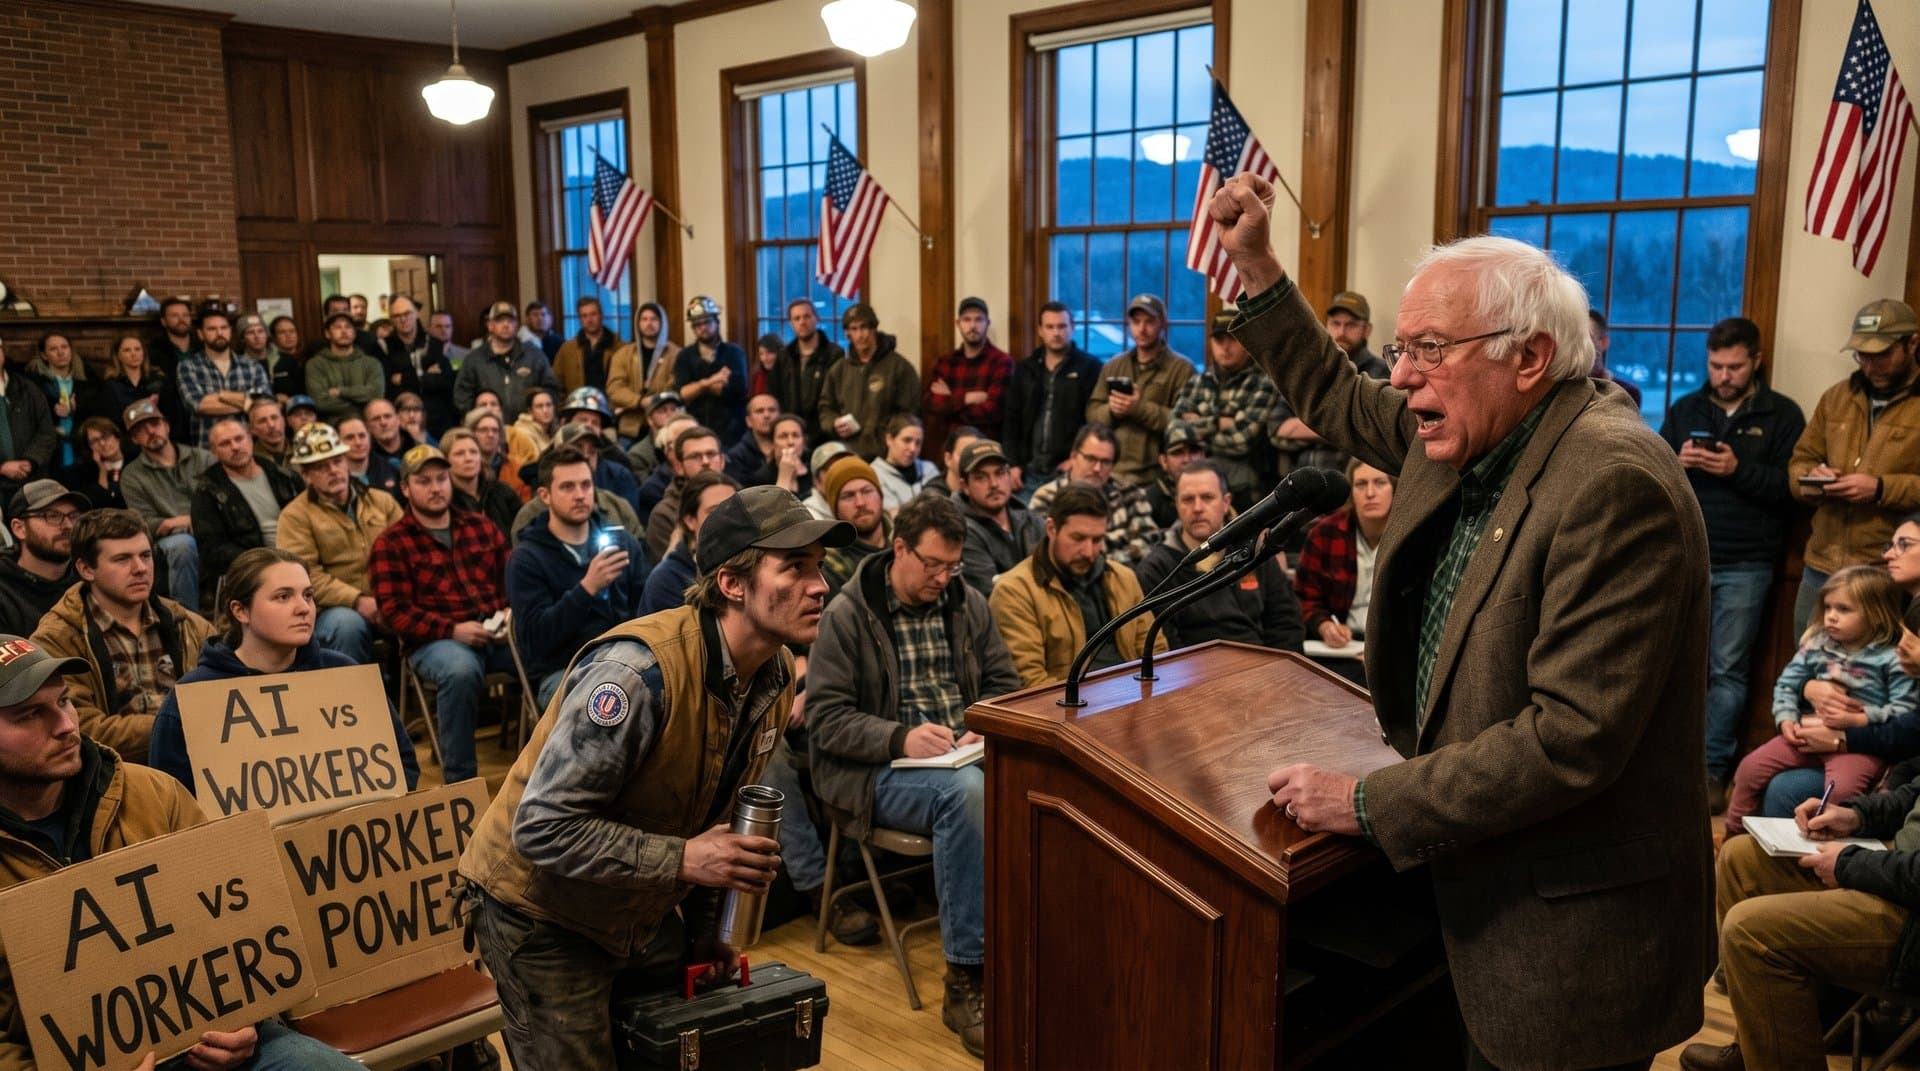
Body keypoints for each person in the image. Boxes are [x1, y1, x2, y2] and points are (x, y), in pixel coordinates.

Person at [1212, 174, 1712, 1069]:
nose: (1402, 375)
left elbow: (1568, 740)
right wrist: (1255, 265)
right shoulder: (1468, 428)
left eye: (1430, 349)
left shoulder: (1613, 484)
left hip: (1567, 936)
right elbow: (1336, 392)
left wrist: (1364, 801)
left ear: (1530, 357)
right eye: (1402, 349)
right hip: (1465, 894)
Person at [460, 485, 851, 1067]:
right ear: (732, 583)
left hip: (635, 904)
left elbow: (713, 819)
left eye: (818, 567)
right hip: (540, 914)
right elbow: (541, 828)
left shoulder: (773, 674)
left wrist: (710, 928)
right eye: (795, 567)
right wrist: (684, 859)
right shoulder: (638, 675)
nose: (820, 586)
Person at [0, 631, 367, 1071]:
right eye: (30, 715)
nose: (65, 725)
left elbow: (239, 924)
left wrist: (251, 1016)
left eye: (64, 701)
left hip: (209, 1038)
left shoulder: (153, 794)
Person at [809, 492, 1021, 1058]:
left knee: (1045, 783)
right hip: (875, 771)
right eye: (932, 564)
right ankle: (966, 977)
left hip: (959, 753)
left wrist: (983, 724)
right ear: (899, 548)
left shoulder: (965, 601)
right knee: (966, 795)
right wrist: (899, 737)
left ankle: (1031, 947)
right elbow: (825, 721)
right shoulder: (848, 615)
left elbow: (1004, 683)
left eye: (952, 566)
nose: (943, 578)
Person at [1659, 317, 1806, 810]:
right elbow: (1652, 475)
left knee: (1727, 672)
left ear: (1756, 362)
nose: (1724, 376)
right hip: (1684, 555)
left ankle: (1711, 772)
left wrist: (1737, 470)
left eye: (1735, 367)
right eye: (1716, 365)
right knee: (1671, 665)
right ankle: (1666, 767)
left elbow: (1791, 488)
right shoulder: (1686, 408)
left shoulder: (1782, 414)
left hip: (1747, 561)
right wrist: (1674, 463)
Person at [148, 547, 419, 795]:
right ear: (240, 611)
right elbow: (174, 803)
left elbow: (402, 765)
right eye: (283, 597)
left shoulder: (344, 673)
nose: (303, 608)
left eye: (308, 595)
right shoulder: (192, 697)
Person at [1722, 565, 1917, 838]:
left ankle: (1827, 846)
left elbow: (1903, 709)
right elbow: (1787, 684)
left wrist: (1859, 719)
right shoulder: (1817, 644)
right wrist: (1786, 719)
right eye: (1828, 607)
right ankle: (1733, 835)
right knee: (1748, 769)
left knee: (1843, 792)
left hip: (1858, 746)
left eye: (1844, 609)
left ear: (1876, 615)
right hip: (1808, 733)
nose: (1831, 616)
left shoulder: (1892, 657)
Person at [370, 444, 512, 785]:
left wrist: (509, 611)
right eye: (424, 481)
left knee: (549, 649)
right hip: (433, 640)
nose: (435, 488)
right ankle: (462, 784)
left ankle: (548, 767)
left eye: (441, 479)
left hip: (496, 630)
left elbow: (511, 578)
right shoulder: (391, 543)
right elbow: (394, 613)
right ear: (405, 488)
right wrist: (452, 630)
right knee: (460, 671)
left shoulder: (481, 526)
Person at [31, 508, 213, 764]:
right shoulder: (57, 638)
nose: (140, 568)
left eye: (145, 556)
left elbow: (226, 697)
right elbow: (81, 726)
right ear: (86, 569)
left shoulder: (189, 625)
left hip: (196, 763)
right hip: (113, 774)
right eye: (122, 559)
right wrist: (178, 724)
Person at [1789, 299, 1920, 636]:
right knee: (1805, 660)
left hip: (1885, 570)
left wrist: (1880, 488)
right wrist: (1810, 480)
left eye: (1882, 354)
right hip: (1821, 563)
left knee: (1873, 668)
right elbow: (1800, 460)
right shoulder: (1836, 398)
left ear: (1912, 344)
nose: (1871, 365)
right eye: (1863, 355)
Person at [505, 445, 652, 707]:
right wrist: (587, 589)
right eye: (567, 487)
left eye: (586, 485)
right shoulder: (526, 558)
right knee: (607, 704)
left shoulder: (623, 544)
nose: (580, 495)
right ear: (545, 495)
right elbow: (536, 642)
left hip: (626, 661)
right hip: (563, 670)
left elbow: (646, 612)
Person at [989, 481, 1163, 686]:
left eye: (1097, 540)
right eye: (1078, 538)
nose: (1088, 552)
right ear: (1051, 529)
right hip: (1069, 701)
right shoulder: (1015, 592)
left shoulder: (1123, 578)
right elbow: (1031, 684)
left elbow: (1157, 652)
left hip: (1135, 693)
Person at [1134, 460, 1305, 653]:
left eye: (1207, 497)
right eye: (1187, 499)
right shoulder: (1156, 569)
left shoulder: (1256, 552)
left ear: (1226, 503)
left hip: (1261, 663)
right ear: (1176, 505)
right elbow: (1165, 645)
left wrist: (1275, 668)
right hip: (1193, 668)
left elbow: (1287, 625)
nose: (1197, 508)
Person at [275, 422, 402, 665]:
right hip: (329, 609)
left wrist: (392, 601)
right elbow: (304, 576)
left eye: (337, 461)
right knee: (347, 625)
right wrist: (358, 600)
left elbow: (409, 551)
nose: (333, 471)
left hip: (389, 597)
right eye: (321, 467)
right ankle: (351, 690)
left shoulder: (382, 501)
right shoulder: (294, 516)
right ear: (306, 476)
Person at [1268, 291, 1396, 475]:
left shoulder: (1382, 372)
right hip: (1300, 481)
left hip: (1351, 484)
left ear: (1367, 330)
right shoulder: (1307, 370)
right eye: (1335, 323)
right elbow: (1276, 427)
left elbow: (1376, 434)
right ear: (1326, 325)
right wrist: (1342, 427)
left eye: (1351, 325)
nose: (1341, 332)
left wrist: (1304, 426)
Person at [1173, 308, 1280, 507]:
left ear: (1247, 341)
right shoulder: (1197, 382)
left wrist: (1198, 428)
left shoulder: (1264, 383)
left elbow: (1241, 442)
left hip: (1245, 485)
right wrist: (1218, 423)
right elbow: (1174, 431)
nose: (1225, 347)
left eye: (1233, 339)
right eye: (1219, 340)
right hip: (1196, 478)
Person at [1086, 293, 1193, 486]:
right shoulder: (1113, 365)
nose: (1142, 329)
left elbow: (1185, 423)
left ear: (1163, 324)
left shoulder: (1182, 369)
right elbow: (1092, 414)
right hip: (1111, 472)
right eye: (1136, 322)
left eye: (1149, 322)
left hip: (1155, 476)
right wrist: (1112, 411)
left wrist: (1138, 409)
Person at [1294, 458, 1396, 658]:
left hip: (1391, 649)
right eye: (1361, 484)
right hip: (1343, 648)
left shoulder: (1410, 535)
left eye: (1379, 483)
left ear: (1395, 488)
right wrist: (1324, 625)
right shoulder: (1325, 534)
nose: (1370, 493)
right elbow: (1303, 597)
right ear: (1351, 492)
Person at [119, 399, 213, 611]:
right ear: (134, 439)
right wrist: (179, 522)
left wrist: (196, 520)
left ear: (167, 426)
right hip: (169, 540)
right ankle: (186, 619)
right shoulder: (132, 475)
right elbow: (144, 523)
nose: (151, 432)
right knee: (183, 545)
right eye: (141, 430)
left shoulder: (202, 458)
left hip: (211, 529)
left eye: (155, 424)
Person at [191, 417, 300, 596]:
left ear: (250, 439)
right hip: (252, 569)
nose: (235, 447)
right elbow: (213, 550)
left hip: (298, 553)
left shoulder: (283, 475)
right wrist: (263, 560)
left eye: (239, 439)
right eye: (225, 443)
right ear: (214, 452)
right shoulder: (207, 490)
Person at [1025, 423, 1160, 566]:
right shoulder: (1046, 497)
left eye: (1105, 462)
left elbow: (1150, 542)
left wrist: (1103, 563)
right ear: (1074, 457)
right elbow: (1043, 552)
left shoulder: (1129, 494)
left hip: (1123, 575)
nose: (1097, 468)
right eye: (1091, 459)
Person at [1005, 301, 1102, 497]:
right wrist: (1012, 463)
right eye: (1050, 327)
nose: (1056, 333)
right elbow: (1011, 420)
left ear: (1072, 328)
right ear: (1040, 330)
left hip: (1069, 470)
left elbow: (1095, 421)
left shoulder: (1090, 368)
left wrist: (1078, 457)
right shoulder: (1026, 369)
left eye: (1062, 326)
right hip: (1027, 473)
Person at [820, 303, 919, 460]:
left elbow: (909, 413)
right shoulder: (838, 370)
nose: (860, 335)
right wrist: (833, 423)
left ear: (874, 328)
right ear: (847, 333)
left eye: (864, 327)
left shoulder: (899, 367)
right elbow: (826, 408)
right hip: (849, 453)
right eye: (854, 329)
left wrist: (889, 436)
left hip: (888, 456)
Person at [639, 469, 738, 614]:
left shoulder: (751, 563)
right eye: (715, 512)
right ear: (690, 520)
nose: (728, 520)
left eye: (733, 510)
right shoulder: (666, 580)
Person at [953, 439, 1043, 595]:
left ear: (1009, 475)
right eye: (981, 477)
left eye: (1000, 473)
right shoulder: (961, 531)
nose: (994, 484)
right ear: (965, 486)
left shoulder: (1031, 519)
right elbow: (996, 595)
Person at [176, 307, 272, 448]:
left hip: (249, 447)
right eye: (212, 329)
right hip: (208, 449)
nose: (219, 333)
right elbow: (199, 404)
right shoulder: (188, 366)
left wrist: (220, 396)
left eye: (224, 328)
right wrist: (246, 402)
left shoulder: (252, 366)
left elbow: (264, 403)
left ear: (230, 331)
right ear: (201, 334)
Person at [922, 296, 1013, 445]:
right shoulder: (945, 362)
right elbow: (930, 403)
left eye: (979, 319)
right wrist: (966, 398)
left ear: (987, 323)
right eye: (967, 320)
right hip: (950, 447)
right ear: (958, 323)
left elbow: (992, 412)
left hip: (986, 446)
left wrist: (950, 400)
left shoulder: (1001, 362)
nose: (972, 325)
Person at [455, 301, 561, 423]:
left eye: (510, 321)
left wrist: (538, 415)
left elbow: (551, 390)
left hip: (528, 427)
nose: (506, 325)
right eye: (499, 320)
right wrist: (480, 420)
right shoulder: (474, 359)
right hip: (489, 428)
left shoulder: (534, 356)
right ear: (490, 325)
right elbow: (462, 397)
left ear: (517, 325)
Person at [0, 481, 82, 638]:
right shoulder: (5, 593)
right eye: (53, 516)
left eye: (74, 516)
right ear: (19, 528)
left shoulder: (90, 578)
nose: (68, 525)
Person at [645, 425, 726, 562]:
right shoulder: (663, 515)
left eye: (711, 454)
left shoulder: (742, 500)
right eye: (695, 456)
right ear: (679, 467)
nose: (706, 462)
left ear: (722, 461)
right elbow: (671, 570)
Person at [674, 296, 749, 445]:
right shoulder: (685, 356)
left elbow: (740, 389)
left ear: (717, 322)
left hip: (732, 431)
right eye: (697, 324)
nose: (703, 327)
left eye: (707, 322)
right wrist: (710, 382)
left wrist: (698, 386)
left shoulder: (734, 352)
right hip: (696, 428)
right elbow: (683, 394)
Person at [381, 295, 458, 436]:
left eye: (407, 313)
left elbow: (445, 382)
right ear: (391, 319)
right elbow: (387, 387)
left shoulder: (434, 344)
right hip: (400, 421)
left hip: (436, 419)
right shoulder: (383, 347)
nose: (403, 319)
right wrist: (426, 376)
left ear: (416, 313)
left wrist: (404, 378)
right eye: (397, 316)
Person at [817, 457, 891, 599]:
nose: (860, 503)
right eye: (848, 496)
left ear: (881, 496)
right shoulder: (830, 565)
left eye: (867, 491)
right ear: (835, 509)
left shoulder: (906, 539)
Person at [773, 297, 844, 443]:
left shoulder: (834, 354)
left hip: (824, 433)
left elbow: (838, 396)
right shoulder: (784, 356)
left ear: (816, 318)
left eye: (806, 316)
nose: (802, 322)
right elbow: (775, 394)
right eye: (796, 318)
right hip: (792, 432)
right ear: (791, 323)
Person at [606, 301, 679, 440]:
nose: (649, 323)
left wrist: (654, 401)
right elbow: (614, 388)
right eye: (644, 319)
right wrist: (639, 401)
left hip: (664, 425)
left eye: (654, 319)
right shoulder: (622, 354)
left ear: (662, 323)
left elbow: (674, 387)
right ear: (638, 323)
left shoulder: (676, 354)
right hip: (629, 426)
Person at [27, 331, 96, 470]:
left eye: (64, 347)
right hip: (50, 455)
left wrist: (78, 408)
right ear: (44, 355)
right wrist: (52, 410)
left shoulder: (89, 381)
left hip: (83, 453)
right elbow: (29, 419)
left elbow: (98, 416)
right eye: (53, 349)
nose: (60, 352)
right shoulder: (34, 384)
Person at [0, 336, 56, 502]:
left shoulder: (27, 389)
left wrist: (30, 461)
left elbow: (46, 432)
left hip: (31, 482)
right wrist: (1, 467)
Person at [305, 311, 386, 426]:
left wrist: (340, 391)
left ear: (354, 333)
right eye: (338, 327)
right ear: (327, 334)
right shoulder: (315, 364)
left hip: (367, 426)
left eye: (348, 327)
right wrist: (362, 404)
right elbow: (320, 402)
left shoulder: (372, 363)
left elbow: (376, 394)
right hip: (331, 427)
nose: (344, 331)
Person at [442, 426, 523, 540]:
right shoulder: (444, 500)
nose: (468, 458)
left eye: (473, 452)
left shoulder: (501, 491)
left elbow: (523, 529)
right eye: (459, 454)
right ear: (446, 460)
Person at [94, 333, 179, 438]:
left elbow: (172, 415)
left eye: (137, 349)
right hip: (128, 439)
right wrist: (145, 407)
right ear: (117, 355)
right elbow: (114, 423)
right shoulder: (110, 386)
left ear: (144, 352)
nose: (134, 354)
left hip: (160, 437)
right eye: (127, 350)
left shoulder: (159, 379)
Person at [553, 295, 622, 395]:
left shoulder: (618, 347)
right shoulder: (567, 349)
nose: (589, 320)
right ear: (580, 319)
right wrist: (566, 402)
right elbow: (556, 382)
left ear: (601, 315)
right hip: (578, 402)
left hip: (610, 402)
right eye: (584, 316)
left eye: (593, 314)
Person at [59, 416, 127, 511]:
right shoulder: (86, 473)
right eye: (94, 441)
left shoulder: (135, 460)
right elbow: (100, 505)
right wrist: (102, 471)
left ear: (117, 436)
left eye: (106, 436)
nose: (102, 443)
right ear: (89, 447)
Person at [872, 414, 937, 512]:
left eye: (918, 443)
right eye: (907, 440)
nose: (913, 448)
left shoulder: (929, 469)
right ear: (889, 440)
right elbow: (892, 516)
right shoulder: (875, 474)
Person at [724, 393, 782, 485]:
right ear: (749, 421)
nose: (767, 415)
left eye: (772, 410)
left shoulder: (793, 445)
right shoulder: (737, 455)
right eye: (760, 411)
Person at [506, 386, 558, 482]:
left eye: (548, 405)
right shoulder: (522, 433)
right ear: (530, 411)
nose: (545, 410)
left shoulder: (555, 431)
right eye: (539, 406)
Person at [264, 315, 305, 403]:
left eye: (292, 331)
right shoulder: (270, 361)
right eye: (282, 332)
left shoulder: (307, 356)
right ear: (274, 337)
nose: (288, 335)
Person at [248, 396, 292, 473]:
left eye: (274, 418)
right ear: (252, 429)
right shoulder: (249, 461)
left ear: (284, 421)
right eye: (262, 421)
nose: (271, 425)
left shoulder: (303, 450)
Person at [748, 333, 782, 399]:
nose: (764, 358)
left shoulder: (788, 375)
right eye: (761, 354)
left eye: (769, 353)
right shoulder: (757, 375)